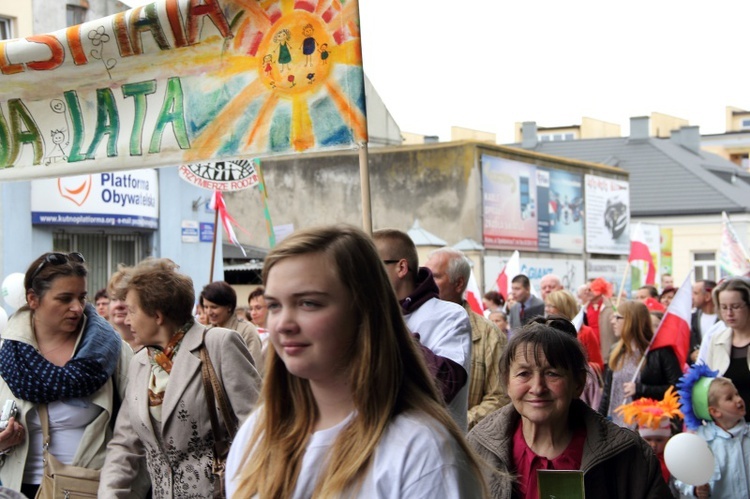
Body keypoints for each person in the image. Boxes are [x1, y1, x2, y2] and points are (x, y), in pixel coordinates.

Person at [226, 225, 487, 497]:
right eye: (275, 305)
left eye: (308, 303)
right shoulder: (257, 433)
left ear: (364, 310)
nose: (283, 325)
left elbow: (449, 378)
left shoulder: (422, 450)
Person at [99, 258, 261, 498]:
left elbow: (258, 431)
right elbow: (125, 444)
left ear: (157, 315)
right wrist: (110, 493)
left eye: (132, 311)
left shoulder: (218, 345)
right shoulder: (140, 362)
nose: (127, 319)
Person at [467, 323, 671, 498]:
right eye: (523, 374)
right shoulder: (478, 448)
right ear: (506, 382)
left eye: (552, 373)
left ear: (578, 383)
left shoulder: (627, 454)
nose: (537, 388)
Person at [0, 252, 132, 496]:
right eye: (64, 298)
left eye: (81, 297)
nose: (77, 307)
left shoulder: (110, 351)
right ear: (33, 299)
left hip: (89, 488)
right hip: (16, 489)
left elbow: (136, 432)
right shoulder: (7, 354)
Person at [373, 229, 472, 431]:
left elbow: (444, 384)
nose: (364, 276)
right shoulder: (365, 317)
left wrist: (391, 323)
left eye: (371, 266)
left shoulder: (450, 315)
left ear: (401, 267)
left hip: (435, 451)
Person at [425, 248, 509, 429]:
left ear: (459, 284)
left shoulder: (489, 335)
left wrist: (456, 422)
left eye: (436, 277)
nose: (426, 282)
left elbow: (500, 397)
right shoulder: (410, 324)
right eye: (424, 275)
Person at [598, 300, 682, 427]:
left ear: (631, 321)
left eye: (617, 317)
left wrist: (641, 389)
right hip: (615, 424)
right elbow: (607, 393)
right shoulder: (615, 350)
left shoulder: (660, 352)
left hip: (647, 425)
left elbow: (677, 388)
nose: (612, 321)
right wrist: (599, 422)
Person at [676, 364, 750, 498]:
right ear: (715, 411)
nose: (738, 399)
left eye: (737, 394)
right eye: (729, 398)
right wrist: (695, 490)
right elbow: (683, 478)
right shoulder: (701, 443)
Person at [616, 386, 683, 496]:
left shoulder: (674, 461)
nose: (653, 444)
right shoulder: (635, 460)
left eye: (659, 440)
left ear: (668, 439)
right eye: (648, 439)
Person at [705, 277, 750, 421]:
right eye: (723, 307)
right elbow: (709, 386)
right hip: (729, 431)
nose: (729, 313)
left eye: (735, 306)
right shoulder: (716, 340)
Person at [200, 281, 263, 368]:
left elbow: (256, 368)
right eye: (206, 307)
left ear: (229, 307)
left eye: (214, 307)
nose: (209, 312)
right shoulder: (205, 332)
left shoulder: (246, 331)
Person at [544, 290, 603, 373]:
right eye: (546, 306)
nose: (546, 309)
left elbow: (598, 365)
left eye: (550, 306)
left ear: (563, 307)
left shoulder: (585, 332)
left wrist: (576, 367)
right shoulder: (545, 330)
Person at [107, 265, 143, 352]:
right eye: (114, 299)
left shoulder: (151, 347)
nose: (118, 305)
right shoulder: (102, 343)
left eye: (124, 298)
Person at [585, 277, 616, 364]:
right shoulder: (583, 309)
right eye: (586, 289)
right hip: (590, 357)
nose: (587, 292)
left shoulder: (612, 307)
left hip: (607, 356)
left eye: (590, 289)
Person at [690, 280, 718, 364]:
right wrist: (691, 355)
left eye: (695, 293)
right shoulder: (692, 319)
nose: (692, 297)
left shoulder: (725, 320)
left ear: (707, 296)